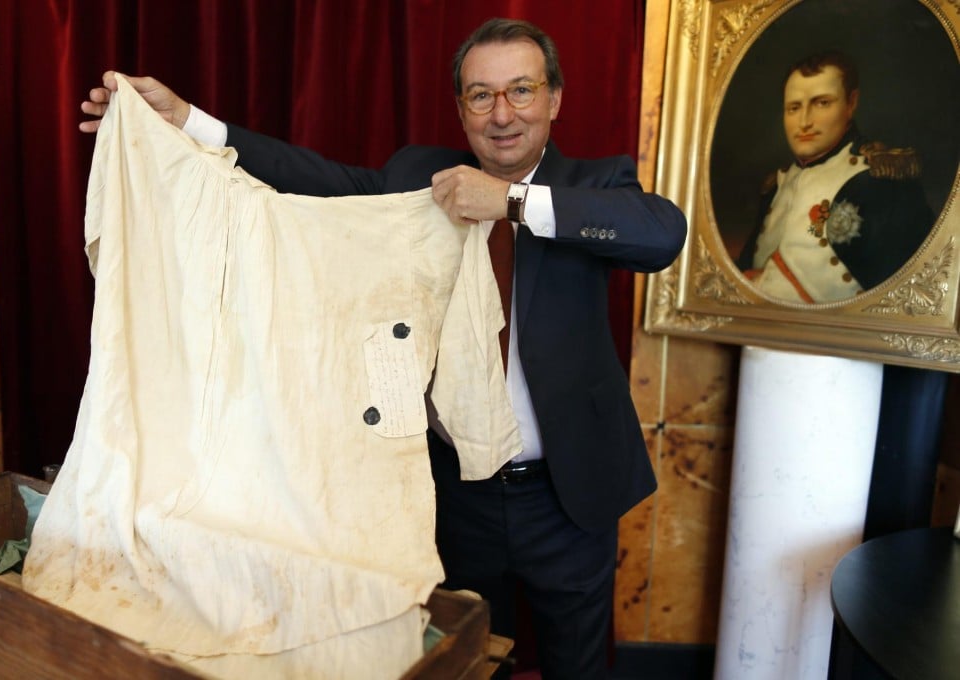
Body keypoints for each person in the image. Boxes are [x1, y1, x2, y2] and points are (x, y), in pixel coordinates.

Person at [80, 18, 686, 679]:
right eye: (481, 95)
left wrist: (509, 200)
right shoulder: (420, 175)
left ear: (555, 99)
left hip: (568, 494)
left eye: (521, 90)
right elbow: (312, 180)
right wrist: (190, 120)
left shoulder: (597, 185)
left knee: (580, 666)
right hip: (455, 491)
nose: (502, 113)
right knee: (468, 660)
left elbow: (659, 235)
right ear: (461, 108)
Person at [735, 50, 934, 304]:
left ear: (851, 104)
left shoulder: (878, 182)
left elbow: (908, 298)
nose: (804, 121)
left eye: (822, 103)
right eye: (794, 108)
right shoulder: (777, 185)